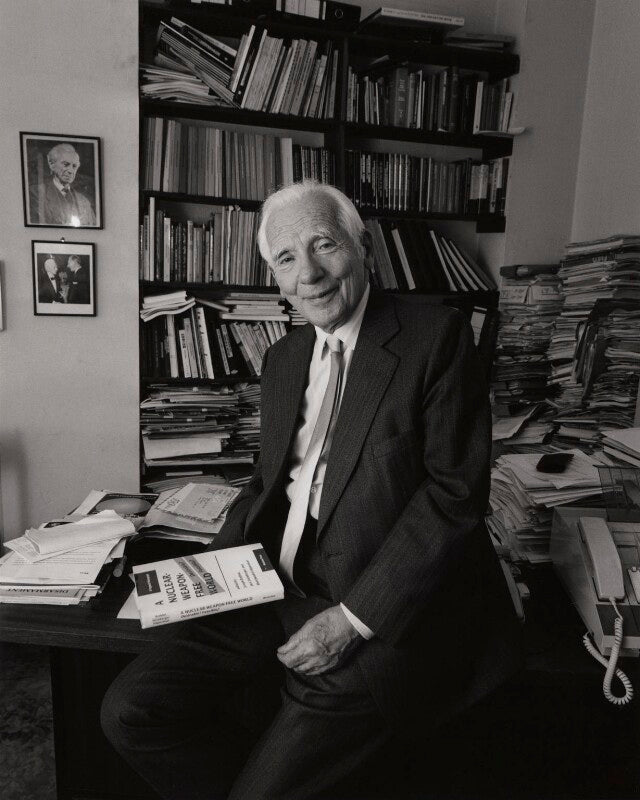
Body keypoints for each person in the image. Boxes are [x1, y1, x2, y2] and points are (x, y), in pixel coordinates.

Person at [101, 181, 522, 800]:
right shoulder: (284, 358)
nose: (309, 274)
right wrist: (209, 570)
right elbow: (268, 482)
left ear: (363, 247)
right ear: (274, 275)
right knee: (131, 712)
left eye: (324, 245)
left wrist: (353, 621)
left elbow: (453, 496)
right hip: (273, 586)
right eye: (286, 258)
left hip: (372, 604)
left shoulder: (436, 337)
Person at [28, 143, 96, 226]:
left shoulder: (84, 202)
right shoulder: (35, 193)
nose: (70, 171)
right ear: (52, 164)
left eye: (74, 166)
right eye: (66, 164)